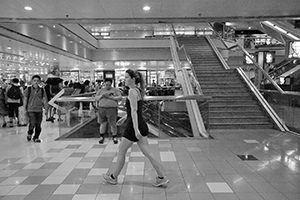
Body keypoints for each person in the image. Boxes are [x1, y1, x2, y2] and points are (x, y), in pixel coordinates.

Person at [102, 69, 169, 187]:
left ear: (133, 79)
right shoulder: (137, 90)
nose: (125, 79)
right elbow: (134, 110)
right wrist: (124, 119)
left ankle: (113, 177)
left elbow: (134, 110)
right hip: (140, 124)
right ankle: (161, 176)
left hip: (134, 127)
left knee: (122, 151)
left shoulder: (132, 91)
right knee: (148, 152)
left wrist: (136, 129)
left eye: (127, 77)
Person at [95, 78, 122, 144]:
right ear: (104, 84)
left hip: (112, 109)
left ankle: (114, 137)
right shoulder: (101, 90)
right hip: (102, 108)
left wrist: (111, 97)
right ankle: (101, 136)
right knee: (103, 123)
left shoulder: (115, 90)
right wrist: (102, 96)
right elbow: (96, 98)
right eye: (106, 85)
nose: (108, 86)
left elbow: (120, 97)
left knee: (113, 123)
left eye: (109, 85)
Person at [24, 75, 48, 143]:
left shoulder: (42, 90)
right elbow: (25, 100)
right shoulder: (28, 90)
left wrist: (46, 109)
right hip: (30, 109)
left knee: (38, 125)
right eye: (34, 81)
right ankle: (30, 133)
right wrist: (24, 109)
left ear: (39, 82)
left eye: (37, 81)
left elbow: (44, 100)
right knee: (32, 123)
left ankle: (36, 137)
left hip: (39, 110)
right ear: (32, 81)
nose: (36, 82)